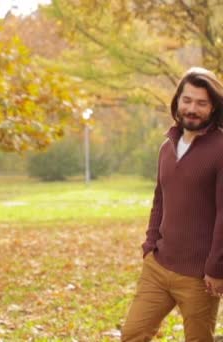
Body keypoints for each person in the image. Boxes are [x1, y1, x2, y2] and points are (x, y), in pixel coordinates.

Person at [122, 67, 223, 341]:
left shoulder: (220, 149)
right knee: (132, 334)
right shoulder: (167, 147)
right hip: (158, 265)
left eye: (201, 103)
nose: (192, 108)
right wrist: (149, 245)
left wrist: (216, 269)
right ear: (177, 101)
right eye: (187, 100)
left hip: (199, 278)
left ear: (213, 107)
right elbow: (159, 201)